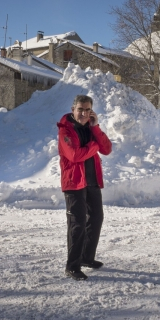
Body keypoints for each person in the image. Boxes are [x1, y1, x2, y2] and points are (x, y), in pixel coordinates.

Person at [57, 95, 112, 281]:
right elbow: (74, 155)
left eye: (87, 110)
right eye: (80, 109)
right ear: (73, 109)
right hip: (74, 182)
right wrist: (93, 145)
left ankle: (87, 258)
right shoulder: (65, 130)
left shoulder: (91, 128)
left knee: (96, 218)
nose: (83, 113)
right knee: (77, 224)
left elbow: (107, 149)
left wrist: (95, 128)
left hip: (92, 181)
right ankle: (72, 266)